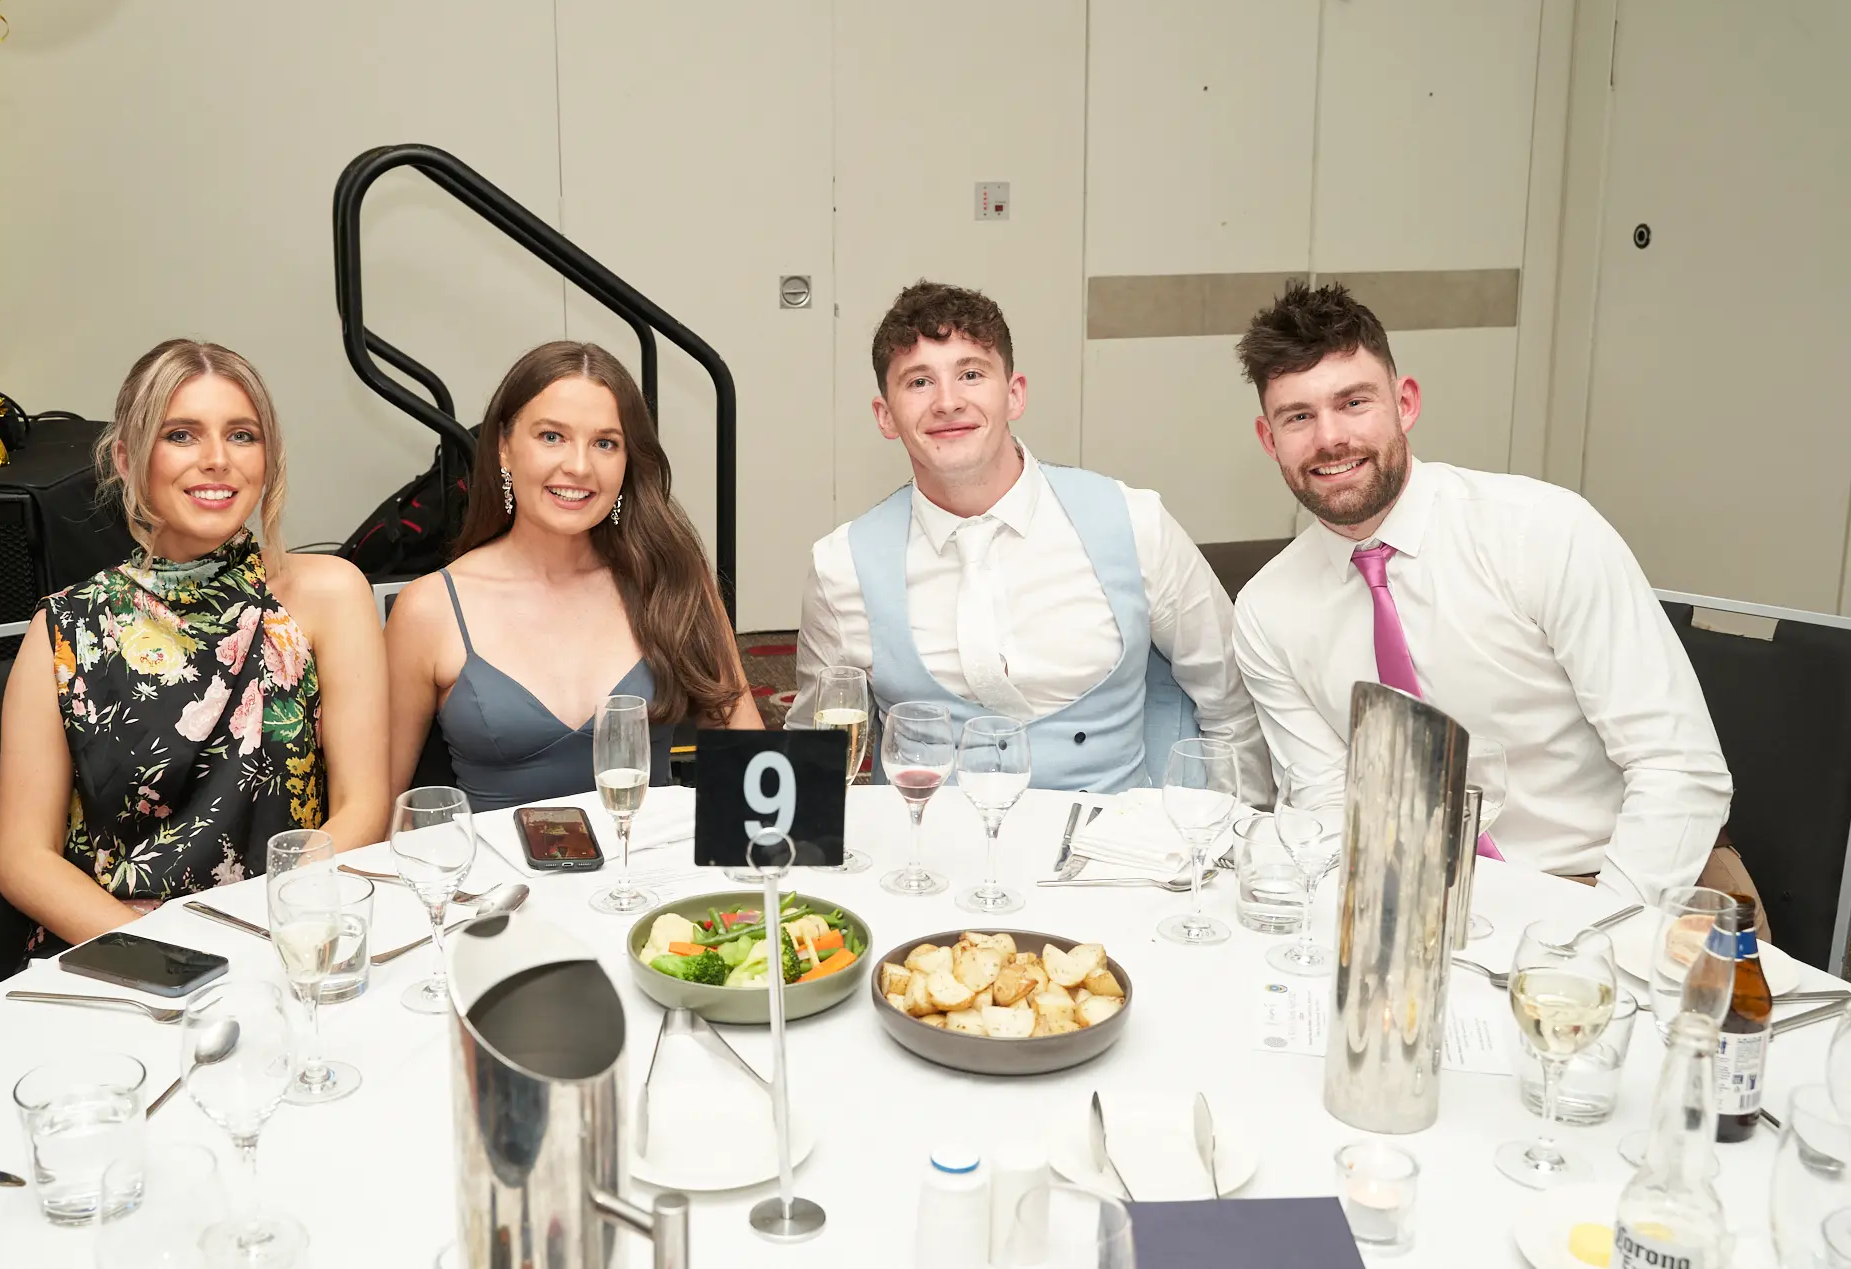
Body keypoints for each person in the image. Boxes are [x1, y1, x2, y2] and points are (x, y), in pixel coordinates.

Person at [1229, 280, 1761, 922]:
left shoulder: (1542, 531)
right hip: (1430, 912)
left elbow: (1679, 769)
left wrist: (1590, 939)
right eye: (1299, 416)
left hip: (1624, 883)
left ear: (1406, 402)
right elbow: (1327, 810)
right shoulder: (1266, 611)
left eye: (1354, 402)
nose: (1330, 437)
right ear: (1269, 437)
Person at [791, 281, 1271, 801]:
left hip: (1117, 861)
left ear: (1014, 393)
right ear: (886, 416)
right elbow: (813, 752)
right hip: (930, 860)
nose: (948, 402)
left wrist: (1230, 850)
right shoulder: (842, 565)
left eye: (971, 374)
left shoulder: (1135, 524)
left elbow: (1231, 709)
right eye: (919, 382)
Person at [0, 340, 390, 951]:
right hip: (125, 953)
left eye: (242, 435)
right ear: (127, 461)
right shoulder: (63, 628)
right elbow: (23, 860)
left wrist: (272, 932)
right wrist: (170, 960)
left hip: (288, 936)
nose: (217, 460)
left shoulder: (331, 595)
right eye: (181, 435)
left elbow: (362, 807)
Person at [385, 341, 761, 812]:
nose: (579, 466)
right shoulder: (430, 608)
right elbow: (385, 812)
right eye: (551, 437)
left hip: (651, 879)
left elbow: (755, 767)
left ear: (627, 462)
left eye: (605, 443)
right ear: (504, 448)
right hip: (503, 884)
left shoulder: (673, 579)